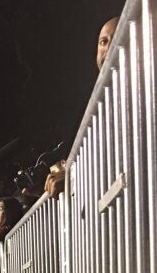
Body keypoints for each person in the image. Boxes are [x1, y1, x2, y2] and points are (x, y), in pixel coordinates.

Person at [44, 16, 120, 198]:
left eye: (118, 35)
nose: (109, 47)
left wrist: (75, 175)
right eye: (103, 41)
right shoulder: (97, 104)